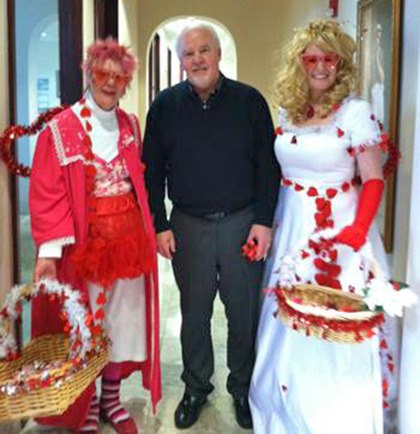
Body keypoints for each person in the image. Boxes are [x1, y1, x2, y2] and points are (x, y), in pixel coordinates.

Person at [249, 20, 397, 434]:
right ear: (299, 63)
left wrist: (359, 230)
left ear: (340, 63)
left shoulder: (355, 113)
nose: (319, 67)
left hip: (341, 231)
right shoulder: (288, 110)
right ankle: (284, 403)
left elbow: (373, 179)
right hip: (292, 224)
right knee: (290, 311)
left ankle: (331, 415)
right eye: (311, 58)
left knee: (333, 313)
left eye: (328, 59)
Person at [143, 22, 280, 430]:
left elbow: (268, 167)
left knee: (243, 312)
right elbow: (152, 172)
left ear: (218, 54)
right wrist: (159, 224)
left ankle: (242, 388)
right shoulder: (164, 106)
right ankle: (196, 387)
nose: (198, 59)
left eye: (205, 50)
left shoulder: (250, 102)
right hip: (188, 226)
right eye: (189, 53)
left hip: (242, 223)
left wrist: (263, 222)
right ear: (181, 61)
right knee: (194, 313)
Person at [29, 38, 161, 434]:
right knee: (88, 327)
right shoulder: (60, 129)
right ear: (89, 74)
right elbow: (48, 192)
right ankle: (86, 404)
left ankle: (111, 400)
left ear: (126, 82)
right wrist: (49, 253)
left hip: (128, 246)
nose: (110, 83)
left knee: (123, 324)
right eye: (102, 74)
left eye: (119, 78)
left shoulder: (130, 125)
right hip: (84, 250)